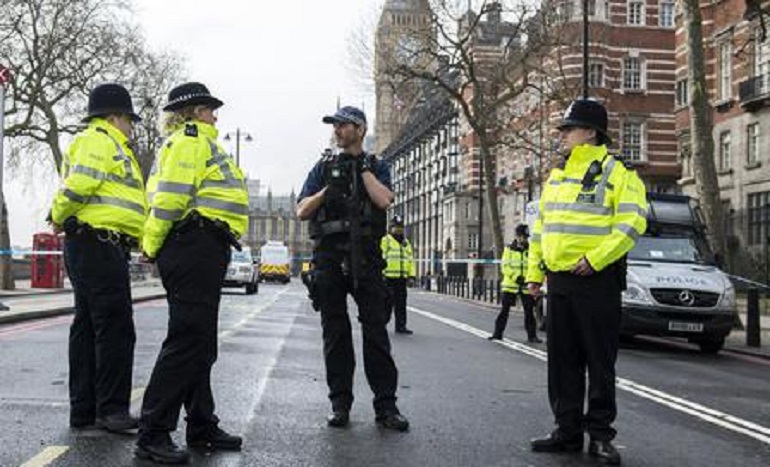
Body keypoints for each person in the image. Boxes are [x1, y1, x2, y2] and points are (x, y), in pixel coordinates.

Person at [527, 99, 647, 466]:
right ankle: (566, 431)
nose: (562, 135)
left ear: (591, 133)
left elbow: (631, 225)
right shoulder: (557, 176)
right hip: (559, 282)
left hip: (597, 281)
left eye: (568, 129)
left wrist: (594, 260)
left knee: (599, 362)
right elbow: (540, 230)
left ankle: (599, 436)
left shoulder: (619, 173)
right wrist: (533, 274)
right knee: (561, 362)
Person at [135, 82, 248, 464]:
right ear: (195, 111)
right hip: (192, 244)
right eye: (210, 109)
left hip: (205, 244)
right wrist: (150, 245)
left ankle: (201, 424)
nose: (216, 116)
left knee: (201, 342)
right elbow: (169, 199)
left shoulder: (197, 142)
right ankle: (153, 432)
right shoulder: (190, 141)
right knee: (187, 341)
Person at [296, 106, 409, 432]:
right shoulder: (322, 167)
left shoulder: (376, 166)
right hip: (329, 257)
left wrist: (361, 170)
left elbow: (385, 200)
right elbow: (302, 210)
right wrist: (324, 192)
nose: (337, 130)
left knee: (376, 333)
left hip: (367, 259)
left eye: (343, 125)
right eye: (335, 125)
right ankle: (340, 404)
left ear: (360, 130)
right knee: (335, 334)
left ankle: (386, 407)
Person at [49, 83, 146, 433]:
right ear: (115, 116)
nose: (132, 126)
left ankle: (85, 410)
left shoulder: (108, 144)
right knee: (116, 329)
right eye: (129, 120)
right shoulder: (99, 141)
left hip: (96, 245)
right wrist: (58, 214)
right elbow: (78, 186)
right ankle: (112, 410)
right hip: (97, 245)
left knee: (89, 327)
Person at [488, 224, 540, 343]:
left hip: (526, 285)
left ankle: (532, 336)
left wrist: (528, 278)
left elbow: (534, 265)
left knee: (529, 312)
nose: (525, 239)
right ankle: (497, 333)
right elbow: (505, 266)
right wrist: (516, 277)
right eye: (522, 237)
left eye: (526, 237)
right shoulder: (509, 249)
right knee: (504, 311)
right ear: (517, 236)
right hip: (511, 285)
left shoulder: (531, 249)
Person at [381, 214, 416, 334]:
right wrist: (380, 275)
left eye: (400, 228)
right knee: (386, 304)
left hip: (401, 278)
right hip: (388, 278)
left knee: (401, 304)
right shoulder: (386, 241)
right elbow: (381, 258)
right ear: (390, 228)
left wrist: (411, 276)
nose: (398, 230)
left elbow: (410, 260)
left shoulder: (406, 243)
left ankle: (401, 326)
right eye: (396, 228)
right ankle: (381, 324)